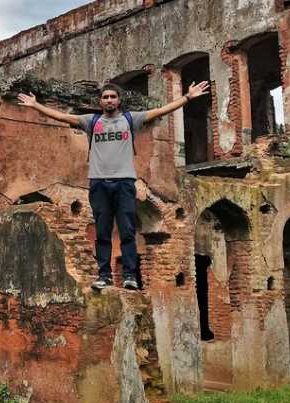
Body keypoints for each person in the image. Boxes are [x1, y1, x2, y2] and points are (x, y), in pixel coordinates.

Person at [17, 80, 209, 290]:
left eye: (112, 97)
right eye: (105, 97)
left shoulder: (130, 119)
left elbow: (161, 110)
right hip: (99, 183)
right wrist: (35, 105)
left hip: (125, 182)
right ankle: (104, 275)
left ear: (119, 101)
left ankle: (129, 275)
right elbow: (62, 116)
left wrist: (187, 97)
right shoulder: (92, 121)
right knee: (102, 231)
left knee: (127, 229)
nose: (109, 100)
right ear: (100, 101)